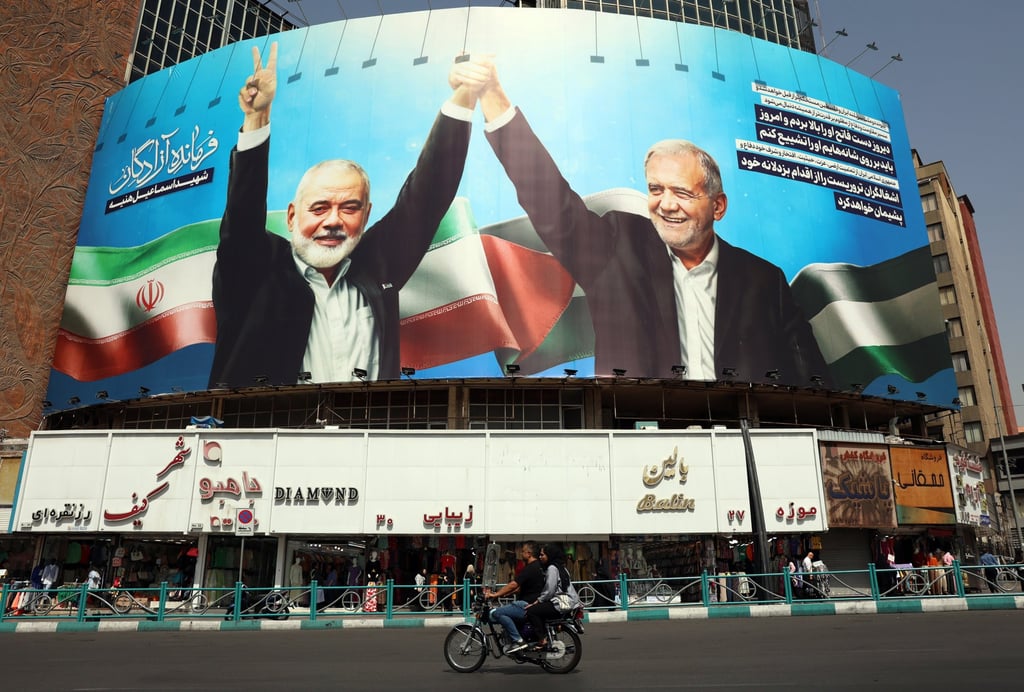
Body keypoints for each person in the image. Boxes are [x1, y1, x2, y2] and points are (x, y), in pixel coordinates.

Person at [456, 58, 830, 384]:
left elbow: (811, 380)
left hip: (746, 433)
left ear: (718, 206)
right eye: (656, 189)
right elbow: (551, 203)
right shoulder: (618, 247)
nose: (666, 205)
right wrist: (494, 99)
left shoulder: (765, 283)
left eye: (682, 193)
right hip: (641, 433)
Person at [208, 43, 480, 388]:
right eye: (319, 208)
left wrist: (464, 97)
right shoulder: (257, 268)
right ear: (291, 216)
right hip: (270, 423)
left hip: (367, 422)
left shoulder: (377, 265)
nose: (333, 221)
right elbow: (242, 217)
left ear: (366, 216)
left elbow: (427, 197)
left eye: (349, 208)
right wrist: (256, 120)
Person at [483, 541, 546, 654]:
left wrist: (495, 594)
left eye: (523, 551)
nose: (521, 554)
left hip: (525, 604)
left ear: (529, 553)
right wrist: (506, 593)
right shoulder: (539, 567)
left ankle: (518, 641)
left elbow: (514, 584)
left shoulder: (530, 568)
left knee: (496, 613)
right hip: (533, 603)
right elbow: (525, 587)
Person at [526, 544, 579, 651]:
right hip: (570, 601)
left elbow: (549, 590)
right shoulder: (561, 567)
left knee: (531, 611)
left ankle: (542, 639)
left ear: (549, 555)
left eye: (542, 555)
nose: (540, 557)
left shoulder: (552, 568)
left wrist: (538, 600)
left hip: (560, 603)